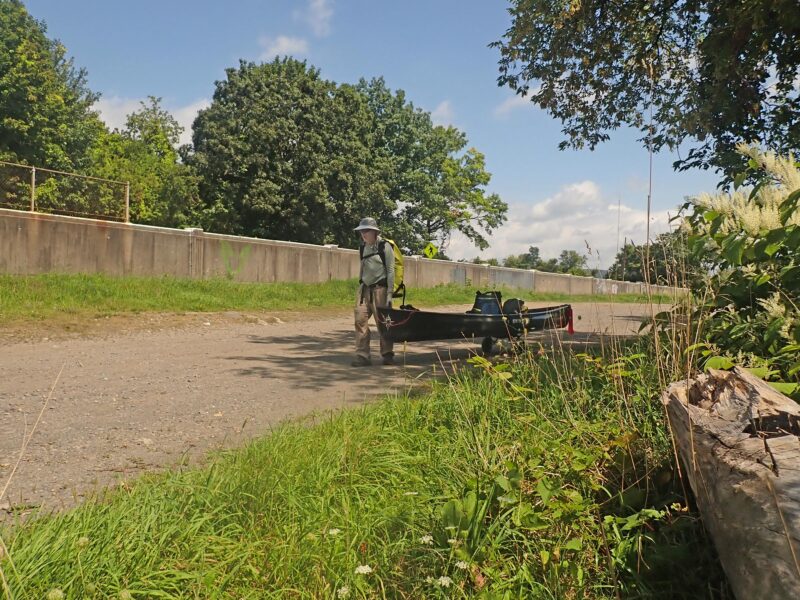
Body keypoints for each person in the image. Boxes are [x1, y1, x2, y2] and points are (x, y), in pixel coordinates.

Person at [352, 217, 395, 366]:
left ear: (375, 232)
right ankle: (362, 356)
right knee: (360, 321)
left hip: (380, 290)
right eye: (361, 231)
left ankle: (387, 354)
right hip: (364, 290)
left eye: (366, 231)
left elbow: (391, 270)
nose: (363, 234)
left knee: (383, 323)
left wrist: (389, 294)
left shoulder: (384, 246)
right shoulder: (362, 247)